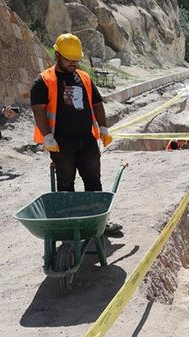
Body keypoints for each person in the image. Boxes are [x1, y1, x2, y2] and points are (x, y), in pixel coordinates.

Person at [30, 34, 120, 234]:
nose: (73, 63)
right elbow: (38, 110)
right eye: (69, 59)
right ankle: (69, 226)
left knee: (94, 183)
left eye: (76, 59)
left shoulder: (84, 77)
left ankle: (98, 225)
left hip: (87, 140)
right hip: (61, 143)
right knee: (65, 185)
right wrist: (47, 136)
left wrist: (103, 128)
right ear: (57, 55)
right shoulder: (44, 81)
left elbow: (97, 103)